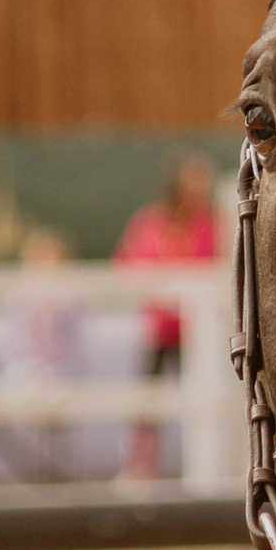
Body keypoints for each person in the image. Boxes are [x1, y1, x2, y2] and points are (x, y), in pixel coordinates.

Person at [111, 152, 217, 478]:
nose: (196, 189)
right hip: (159, 330)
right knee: (148, 404)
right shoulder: (150, 222)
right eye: (190, 182)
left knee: (207, 402)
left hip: (198, 335)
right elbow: (125, 267)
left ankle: (207, 472)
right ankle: (139, 468)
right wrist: (157, 292)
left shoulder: (211, 225)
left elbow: (218, 271)